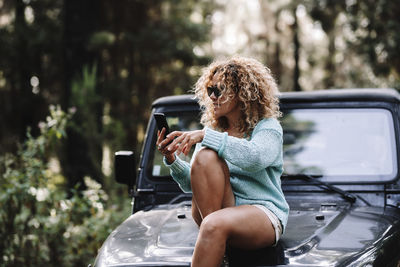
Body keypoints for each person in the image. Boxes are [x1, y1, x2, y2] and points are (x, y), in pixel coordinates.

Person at [156, 56, 289, 267]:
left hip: (262, 213)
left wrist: (204, 136)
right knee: (205, 158)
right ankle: (220, 243)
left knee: (212, 224)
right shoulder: (214, 133)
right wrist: (171, 158)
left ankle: (217, 242)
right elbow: (196, 185)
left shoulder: (268, 128)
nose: (212, 97)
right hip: (219, 211)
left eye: (218, 90)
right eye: (210, 90)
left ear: (241, 93)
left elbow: (255, 158)